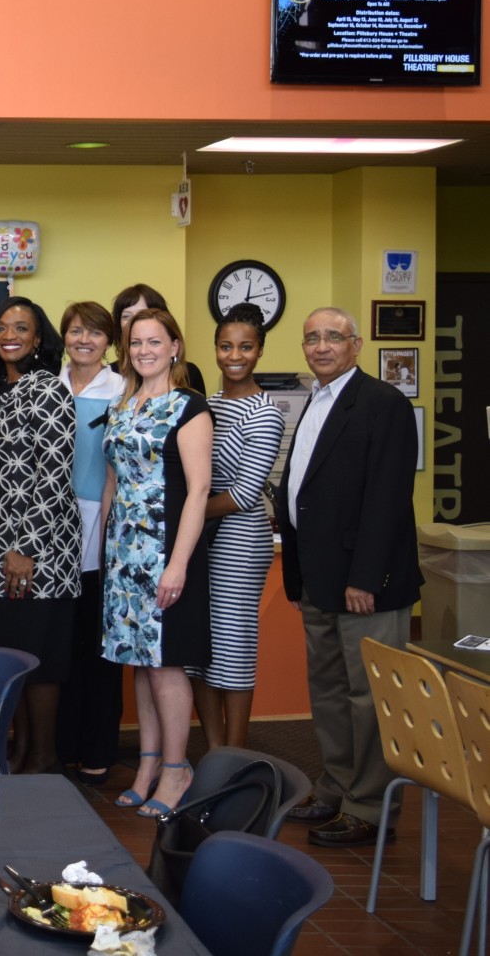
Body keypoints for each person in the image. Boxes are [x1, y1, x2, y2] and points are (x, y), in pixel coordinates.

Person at [275, 307, 421, 849]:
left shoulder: (383, 403)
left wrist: (367, 578)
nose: (320, 346)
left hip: (365, 585)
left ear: (355, 344)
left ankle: (371, 808)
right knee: (331, 693)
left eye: (332, 337)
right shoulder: (317, 399)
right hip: (318, 578)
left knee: (372, 697)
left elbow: (386, 498)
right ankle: (335, 787)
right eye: (311, 338)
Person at [102, 308, 213, 817]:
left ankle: (176, 770)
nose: (144, 350)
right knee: (139, 667)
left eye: (154, 341)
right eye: (136, 343)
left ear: (175, 346)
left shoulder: (189, 407)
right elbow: (113, 481)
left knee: (166, 666)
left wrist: (178, 564)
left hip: (164, 550)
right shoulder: (123, 405)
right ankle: (147, 766)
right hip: (124, 553)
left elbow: (199, 492)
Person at [0, 296, 82, 775]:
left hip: (39, 548)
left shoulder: (49, 391)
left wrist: (26, 548)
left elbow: (54, 475)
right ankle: (17, 750)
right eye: (2, 328)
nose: (10, 335)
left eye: (22, 328)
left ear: (39, 339)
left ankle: (44, 756)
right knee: (8, 654)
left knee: (40, 658)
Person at [194, 303, 285, 751]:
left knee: (232, 651)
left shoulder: (265, 413)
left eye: (246, 347)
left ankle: (234, 754)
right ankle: (213, 752)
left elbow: (243, 495)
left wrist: (183, 514)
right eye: (226, 346)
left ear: (260, 350)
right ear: (215, 350)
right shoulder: (206, 405)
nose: (235, 355)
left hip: (239, 541)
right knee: (199, 653)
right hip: (200, 541)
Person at [55, 301, 129, 786]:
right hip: (51, 526)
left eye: (95, 332)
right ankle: (63, 747)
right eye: (76, 330)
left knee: (97, 646)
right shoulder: (48, 386)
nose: (85, 339)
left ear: (110, 341)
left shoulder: (123, 389)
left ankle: (98, 750)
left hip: (103, 522)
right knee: (61, 643)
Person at [111, 284, 207, 394]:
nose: (134, 322)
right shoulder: (111, 374)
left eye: (143, 314)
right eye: (126, 316)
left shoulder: (189, 373)